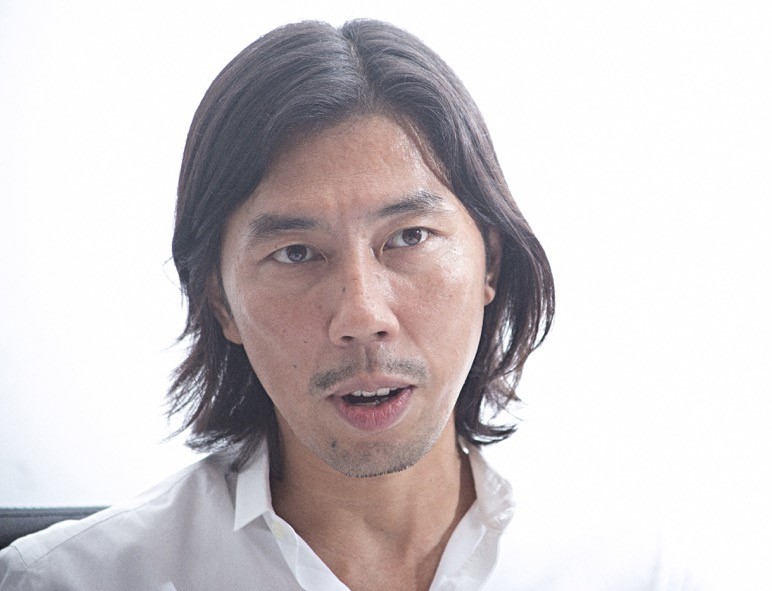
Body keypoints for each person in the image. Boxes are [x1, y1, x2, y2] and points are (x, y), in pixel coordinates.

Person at [0, 19, 696, 590]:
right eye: (296, 253)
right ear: (221, 301)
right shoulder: (69, 580)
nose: (362, 315)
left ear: (490, 260)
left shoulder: (630, 574)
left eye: (410, 237)